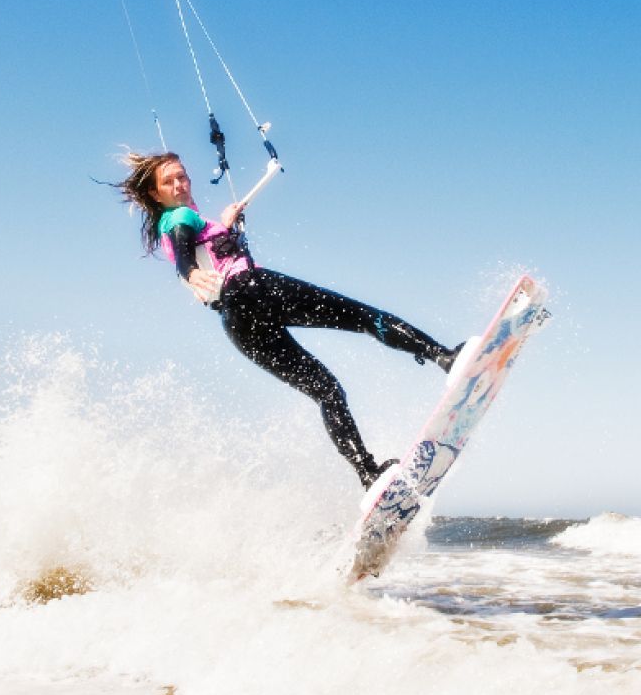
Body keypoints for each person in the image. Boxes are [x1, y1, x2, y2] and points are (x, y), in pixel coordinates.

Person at [118, 151, 463, 489]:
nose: (179, 184)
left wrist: (223, 226)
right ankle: (443, 356)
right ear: (155, 193)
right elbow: (184, 251)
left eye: (182, 176)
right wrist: (190, 272)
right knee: (366, 318)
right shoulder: (178, 219)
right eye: (169, 181)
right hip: (254, 290)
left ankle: (368, 474)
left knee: (327, 392)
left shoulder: (190, 224)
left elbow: (200, 248)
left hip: (237, 322)